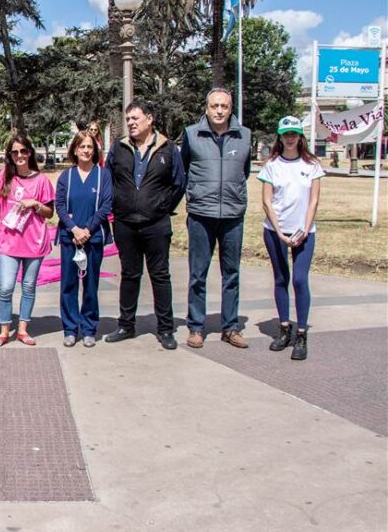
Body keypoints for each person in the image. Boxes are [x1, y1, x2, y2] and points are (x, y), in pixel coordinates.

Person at [105, 102, 186, 350]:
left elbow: (179, 184)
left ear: (149, 119)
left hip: (156, 224)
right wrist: (118, 209)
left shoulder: (168, 149)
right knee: (130, 274)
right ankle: (126, 325)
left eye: (135, 118)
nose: (130, 122)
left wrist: (161, 207)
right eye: (128, 118)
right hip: (125, 223)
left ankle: (165, 329)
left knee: (160, 276)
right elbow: (108, 181)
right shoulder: (118, 149)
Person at [180, 88, 252, 349]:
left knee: (231, 273)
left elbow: (245, 170)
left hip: (233, 214)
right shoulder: (191, 134)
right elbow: (183, 169)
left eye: (224, 106)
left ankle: (230, 327)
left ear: (230, 108)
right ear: (206, 108)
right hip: (201, 214)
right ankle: (196, 327)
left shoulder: (245, 136)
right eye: (214, 106)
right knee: (198, 273)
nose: (219, 111)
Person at [258, 116, 324, 361]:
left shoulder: (312, 164)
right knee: (281, 278)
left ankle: (302, 333)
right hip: (276, 231)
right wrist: (279, 231)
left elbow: (314, 200)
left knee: (299, 279)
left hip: (304, 232)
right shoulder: (271, 165)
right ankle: (284, 328)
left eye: (294, 134)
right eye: (286, 134)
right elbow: (266, 201)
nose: (290, 138)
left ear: (300, 136)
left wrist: (305, 229)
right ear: (280, 136)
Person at [0, 134, 54, 348]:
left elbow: (49, 213)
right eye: (15, 152)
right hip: (9, 242)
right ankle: (4, 330)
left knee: (28, 286)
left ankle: (23, 330)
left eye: (23, 151)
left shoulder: (42, 180)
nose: (19, 155)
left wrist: (35, 204)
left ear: (30, 153)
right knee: (6, 287)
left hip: (34, 243)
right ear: (10, 155)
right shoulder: (4, 177)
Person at [56, 131, 113, 348]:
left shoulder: (102, 175)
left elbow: (106, 205)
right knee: (68, 284)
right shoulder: (66, 177)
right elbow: (59, 205)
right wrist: (74, 229)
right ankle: (70, 328)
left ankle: (89, 328)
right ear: (75, 150)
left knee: (90, 285)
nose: (86, 151)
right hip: (70, 238)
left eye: (90, 147)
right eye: (82, 147)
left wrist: (87, 229)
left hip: (93, 237)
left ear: (95, 150)